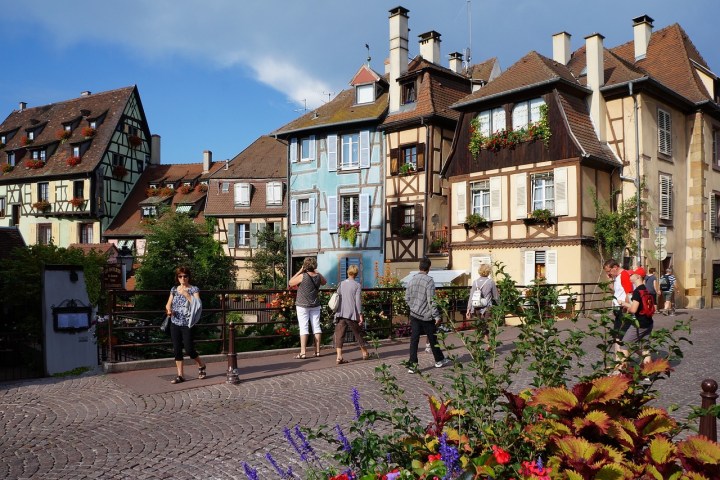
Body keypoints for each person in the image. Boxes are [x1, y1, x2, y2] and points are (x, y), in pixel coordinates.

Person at [405, 258, 449, 373]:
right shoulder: (429, 281)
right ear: (428, 267)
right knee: (432, 338)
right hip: (426, 315)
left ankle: (412, 365)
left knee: (414, 340)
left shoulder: (412, 280)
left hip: (414, 314)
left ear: (419, 266)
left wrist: (413, 307)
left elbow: (407, 298)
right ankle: (439, 360)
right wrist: (437, 316)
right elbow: (432, 301)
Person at [165, 266, 207, 384]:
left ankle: (201, 365)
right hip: (175, 322)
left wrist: (186, 295)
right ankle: (180, 375)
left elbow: (198, 305)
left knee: (189, 349)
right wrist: (169, 310)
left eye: (185, 276)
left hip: (188, 323)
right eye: (180, 276)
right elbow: (168, 304)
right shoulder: (174, 289)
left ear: (189, 277)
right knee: (177, 349)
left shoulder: (193, 289)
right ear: (177, 277)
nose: (182, 278)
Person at [288, 257, 327, 359]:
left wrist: (300, 271)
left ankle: (303, 352)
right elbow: (324, 282)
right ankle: (317, 351)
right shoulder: (318, 276)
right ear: (314, 266)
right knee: (316, 327)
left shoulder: (302, 276)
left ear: (305, 266)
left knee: (304, 327)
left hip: (302, 305)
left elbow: (290, 282)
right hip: (315, 305)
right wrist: (317, 271)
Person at [617, 267, 655, 370]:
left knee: (624, 344)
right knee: (645, 348)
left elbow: (633, 310)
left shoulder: (637, 292)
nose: (630, 276)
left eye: (632, 275)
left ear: (638, 276)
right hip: (649, 322)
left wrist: (626, 306)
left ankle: (622, 371)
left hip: (640, 323)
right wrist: (627, 304)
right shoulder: (645, 289)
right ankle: (648, 373)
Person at [333, 264, 370, 364]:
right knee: (358, 333)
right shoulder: (357, 285)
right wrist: (360, 314)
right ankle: (364, 352)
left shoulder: (341, 284)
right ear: (356, 274)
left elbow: (337, 297)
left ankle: (339, 356)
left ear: (348, 272)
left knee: (340, 334)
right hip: (351, 313)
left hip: (340, 312)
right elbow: (357, 302)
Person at [602, 259, 633, 365]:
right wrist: (610, 279)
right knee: (617, 336)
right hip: (617, 308)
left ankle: (621, 363)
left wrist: (626, 308)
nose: (608, 273)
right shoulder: (616, 277)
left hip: (623, 309)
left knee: (620, 336)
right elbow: (614, 291)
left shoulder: (624, 275)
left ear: (615, 267)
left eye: (609, 271)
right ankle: (618, 362)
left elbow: (629, 293)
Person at [465, 263, 499, 347]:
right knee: (485, 325)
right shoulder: (490, 282)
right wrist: (500, 306)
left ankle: (483, 344)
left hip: (476, 307)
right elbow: (496, 296)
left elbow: (471, 297)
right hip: (487, 307)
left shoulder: (475, 282)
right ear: (488, 271)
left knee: (481, 326)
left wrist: (468, 309)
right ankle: (488, 344)